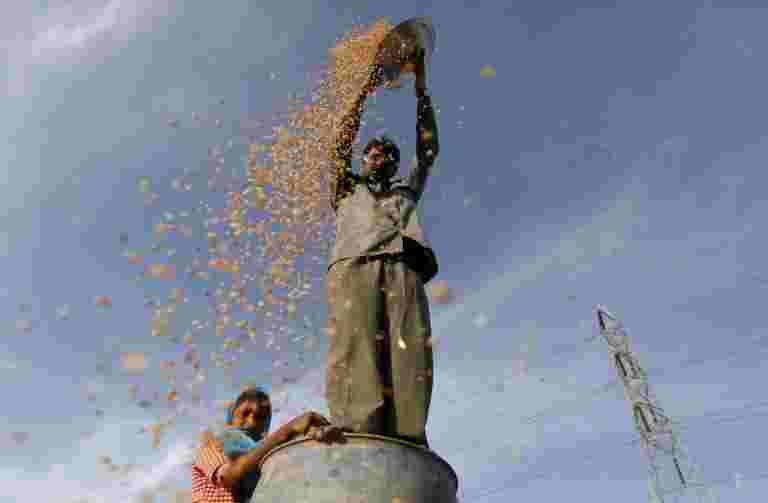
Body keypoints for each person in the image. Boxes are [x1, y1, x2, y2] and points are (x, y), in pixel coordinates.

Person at [325, 48, 440, 448]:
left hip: (403, 267)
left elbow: (427, 152)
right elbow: (339, 146)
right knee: (355, 350)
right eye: (373, 152)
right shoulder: (346, 188)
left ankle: (409, 439)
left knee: (409, 355)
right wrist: (363, 92)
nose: (381, 157)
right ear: (364, 159)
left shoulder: (405, 192)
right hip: (353, 265)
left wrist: (420, 88)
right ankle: (358, 434)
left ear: (394, 163)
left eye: (388, 154)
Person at [192, 387, 339, 503]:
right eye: (245, 413)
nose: (252, 422)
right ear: (231, 419)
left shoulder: (270, 459)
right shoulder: (215, 444)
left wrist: (312, 442)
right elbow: (230, 475)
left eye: (260, 417)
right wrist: (290, 429)